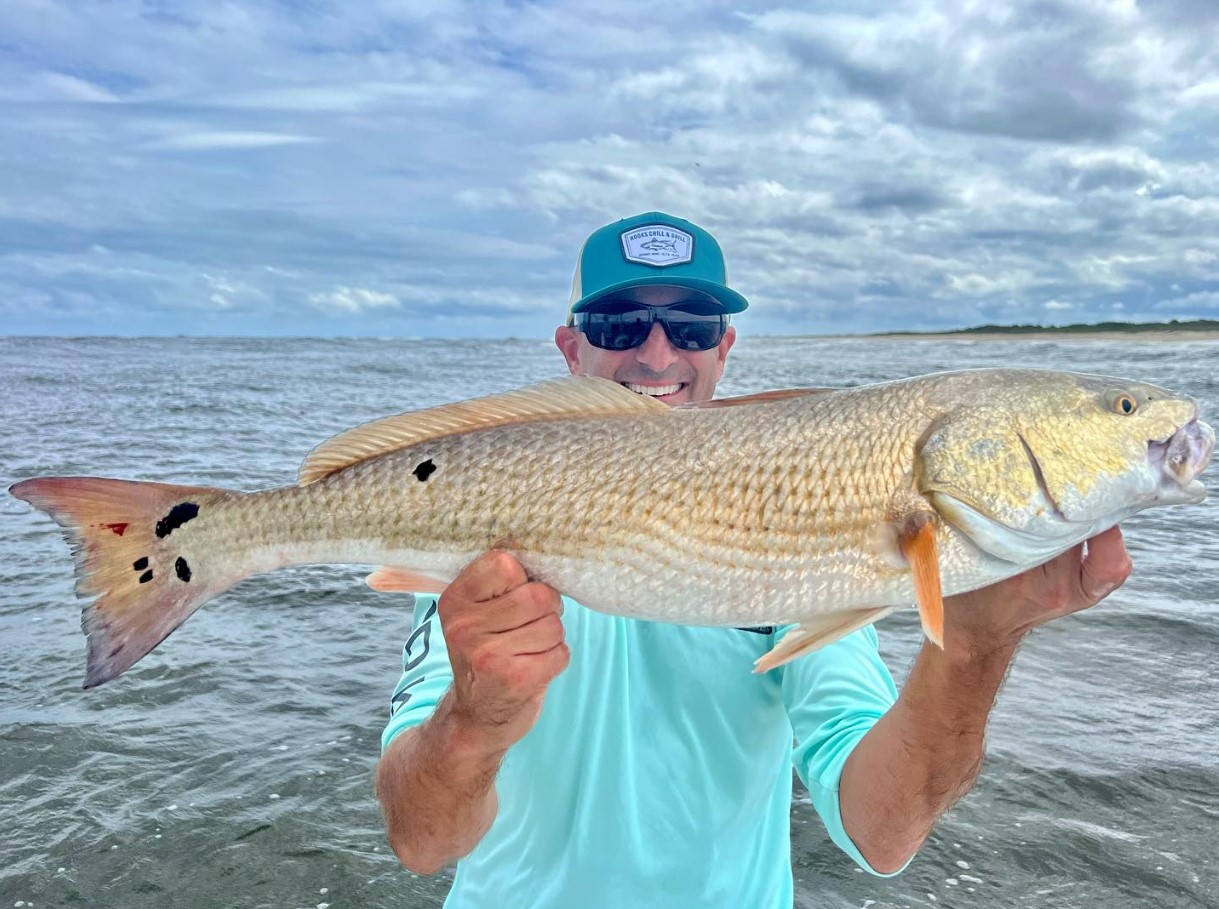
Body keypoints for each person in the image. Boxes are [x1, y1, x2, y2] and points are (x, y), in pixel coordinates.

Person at [374, 212, 1132, 907]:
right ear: (570, 348)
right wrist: (473, 719)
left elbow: (880, 832)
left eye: (693, 324)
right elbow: (423, 841)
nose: (657, 351)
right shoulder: (481, 530)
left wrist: (975, 643)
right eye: (617, 321)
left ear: (724, 347)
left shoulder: (802, 512)